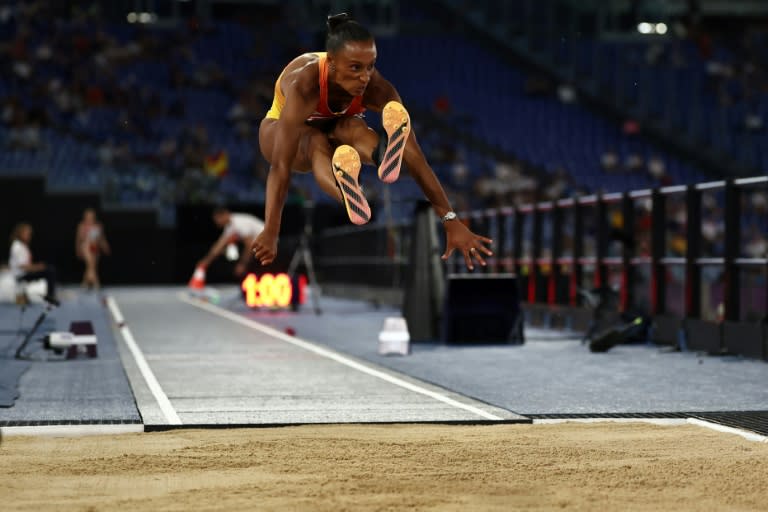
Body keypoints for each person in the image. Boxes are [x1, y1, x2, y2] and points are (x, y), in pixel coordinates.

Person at [252, 13, 493, 271]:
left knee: (354, 126)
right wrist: (271, 229)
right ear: (331, 63)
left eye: (371, 66)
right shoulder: (305, 84)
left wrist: (450, 220)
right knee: (315, 141)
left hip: (336, 125)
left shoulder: (376, 87)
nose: (365, 77)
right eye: (355, 68)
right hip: (282, 131)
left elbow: (416, 159)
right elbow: (280, 167)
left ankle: (383, 154)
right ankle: (346, 191)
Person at [198, 207, 265, 277]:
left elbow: (249, 246)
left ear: (225, 214)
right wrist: (206, 261)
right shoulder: (230, 226)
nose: (216, 222)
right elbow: (219, 245)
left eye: (217, 219)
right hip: (257, 248)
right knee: (226, 251)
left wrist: (242, 264)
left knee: (235, 252)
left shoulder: (239, 223)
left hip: (267, 247)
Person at [8, 222, 58, 302]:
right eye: (27, 234)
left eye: (29, 234)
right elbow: (23, 267)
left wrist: (38, 266)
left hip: (24, 273)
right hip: (21, 275)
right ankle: (50, 296)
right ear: (20, 233)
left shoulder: (22, 246)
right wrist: (38, 267)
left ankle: (49, 294)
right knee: (50, 270)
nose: (29, 236)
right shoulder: (17, 246)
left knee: (48, 268)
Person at [75, 208, 110, 289]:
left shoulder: (98, 225)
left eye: (92, 216)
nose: (90, 217)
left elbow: (101, 238)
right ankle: (96, 283)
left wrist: (105, 246)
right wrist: (78, 249)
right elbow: (78, 239)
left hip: (95, 247)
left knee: (92, 266)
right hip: (86, 246)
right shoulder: (82, 225)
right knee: (90, 265)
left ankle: (84, 284)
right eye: (88, 216)